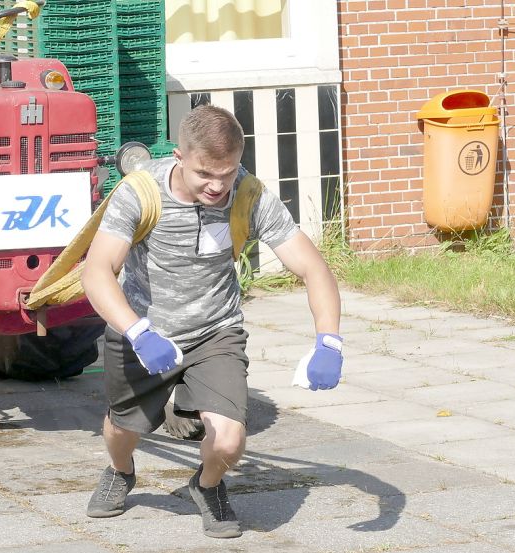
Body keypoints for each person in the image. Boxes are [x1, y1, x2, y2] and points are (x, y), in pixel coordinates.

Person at [80, 105, 343, 538]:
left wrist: (329, 341)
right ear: (180, 157)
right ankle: (120, 471)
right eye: (205, 173)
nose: (217, 186)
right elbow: (97, 271)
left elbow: (313, 269)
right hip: (143, 328)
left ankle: (208, 486)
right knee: (122, 428)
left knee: (228, 439)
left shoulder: (248, 194)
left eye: (228, 172)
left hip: (215, 330)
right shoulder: (140, 192)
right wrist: (138, 331)